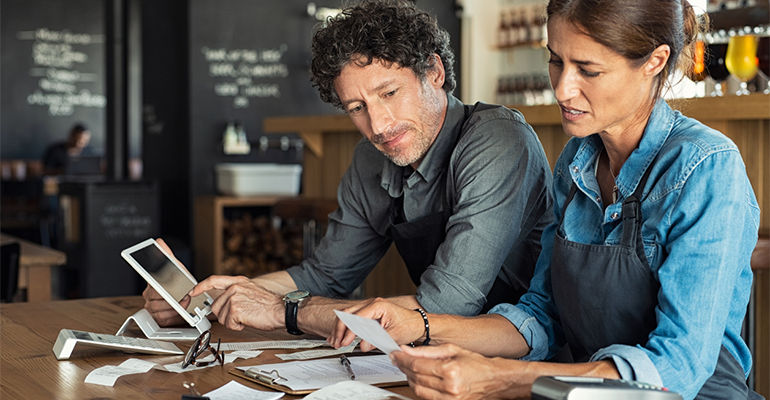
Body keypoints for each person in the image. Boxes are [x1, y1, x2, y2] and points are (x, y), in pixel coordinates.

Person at [330, 1, 762, 399]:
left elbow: (680, 366)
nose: (562, 89)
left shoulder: (706, 167)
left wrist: (502, 377)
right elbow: (541, 315)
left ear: (655, 61)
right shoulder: (577, 160)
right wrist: (420, 326)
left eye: (587, 70)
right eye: (556, 61)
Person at [144, 0, 553, 338]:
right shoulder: (371, 158)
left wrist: (284, 312)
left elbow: (444, 306)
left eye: (389, 93)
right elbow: (325, 274)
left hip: (527, 355)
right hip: (440, 357)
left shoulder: (497, 141)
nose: (378, 125)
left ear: (434, 72)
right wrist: (212, 298)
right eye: (357, 108)